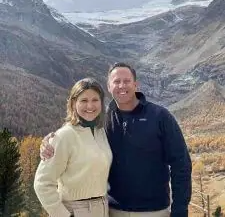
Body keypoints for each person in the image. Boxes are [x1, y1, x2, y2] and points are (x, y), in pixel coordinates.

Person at [40, 62, 192, 217]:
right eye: (116, 82)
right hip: (112, 211)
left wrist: (180, 210)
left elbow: (181, 165)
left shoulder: (160, 117)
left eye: (126, 81)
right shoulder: (102, 121)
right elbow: (76, 133)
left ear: (135, 84)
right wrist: (50, 141)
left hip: (154, 211)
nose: (121, 86)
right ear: (109, 86)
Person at [34, 78, 112, 217]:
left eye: (95, 100)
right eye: (83, 101)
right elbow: (42, 183)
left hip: (102, 208)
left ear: (101, 102)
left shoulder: (101, 132)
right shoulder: (64, 136)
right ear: (73, 103)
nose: (90, 106)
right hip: (76, 210)